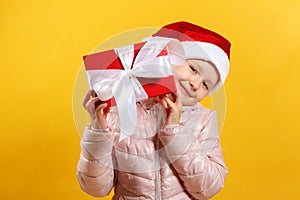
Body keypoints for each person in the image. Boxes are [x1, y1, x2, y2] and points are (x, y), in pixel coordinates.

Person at [77, 21, 231, 200]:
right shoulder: (119, 110)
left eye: (206, 84)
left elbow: (209, 188)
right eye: (193, 69)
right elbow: (95, 189)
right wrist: (99, 132)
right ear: (161, 57)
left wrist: (175, 131)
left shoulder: (205, 119)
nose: (196, 84)